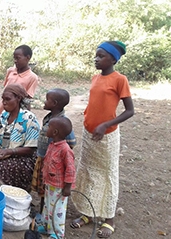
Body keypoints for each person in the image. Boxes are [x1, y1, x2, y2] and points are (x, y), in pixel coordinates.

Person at [70, 41, 134, 238]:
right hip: (90, 134)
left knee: (107, 175)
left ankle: (109, 219)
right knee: (88, 172)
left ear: (113, 59)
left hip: (107, 136)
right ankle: (87, 213)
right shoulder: (95, 78)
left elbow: (130, 111)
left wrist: (106, 124)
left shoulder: (119, 79)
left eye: (101, 56)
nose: (96, 59)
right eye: (96, 55)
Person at [31, 88, 76, 215]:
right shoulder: (49, 118)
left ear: (55, 103)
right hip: (44, 159)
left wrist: (59, 154)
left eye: (47, 100)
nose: (44, 102)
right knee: (43, 189)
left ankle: (48, 215)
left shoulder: (61, 122)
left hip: (52, 163)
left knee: (49, 190)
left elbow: (72, 142)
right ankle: (43, 213)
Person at [39, 117, 76, 239]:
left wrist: (68, 187)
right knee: (48, 207)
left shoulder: (65, 150)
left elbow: (70, 169)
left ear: (55, 132)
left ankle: (57, 233)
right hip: (50, 183)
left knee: (57, 210)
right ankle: (46, 227)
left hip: (59, 186)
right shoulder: (52, 145)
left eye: (49, 127)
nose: (46, 129)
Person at [0, 45, 39, 117]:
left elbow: (27, 99)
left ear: (27, 58)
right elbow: (6, 89)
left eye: (18, 58)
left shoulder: (33, 77)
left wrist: (26, 115)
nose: (15, 61)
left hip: (18, 110)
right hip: (4, 107)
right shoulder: (10, 71)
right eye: (14, 58)